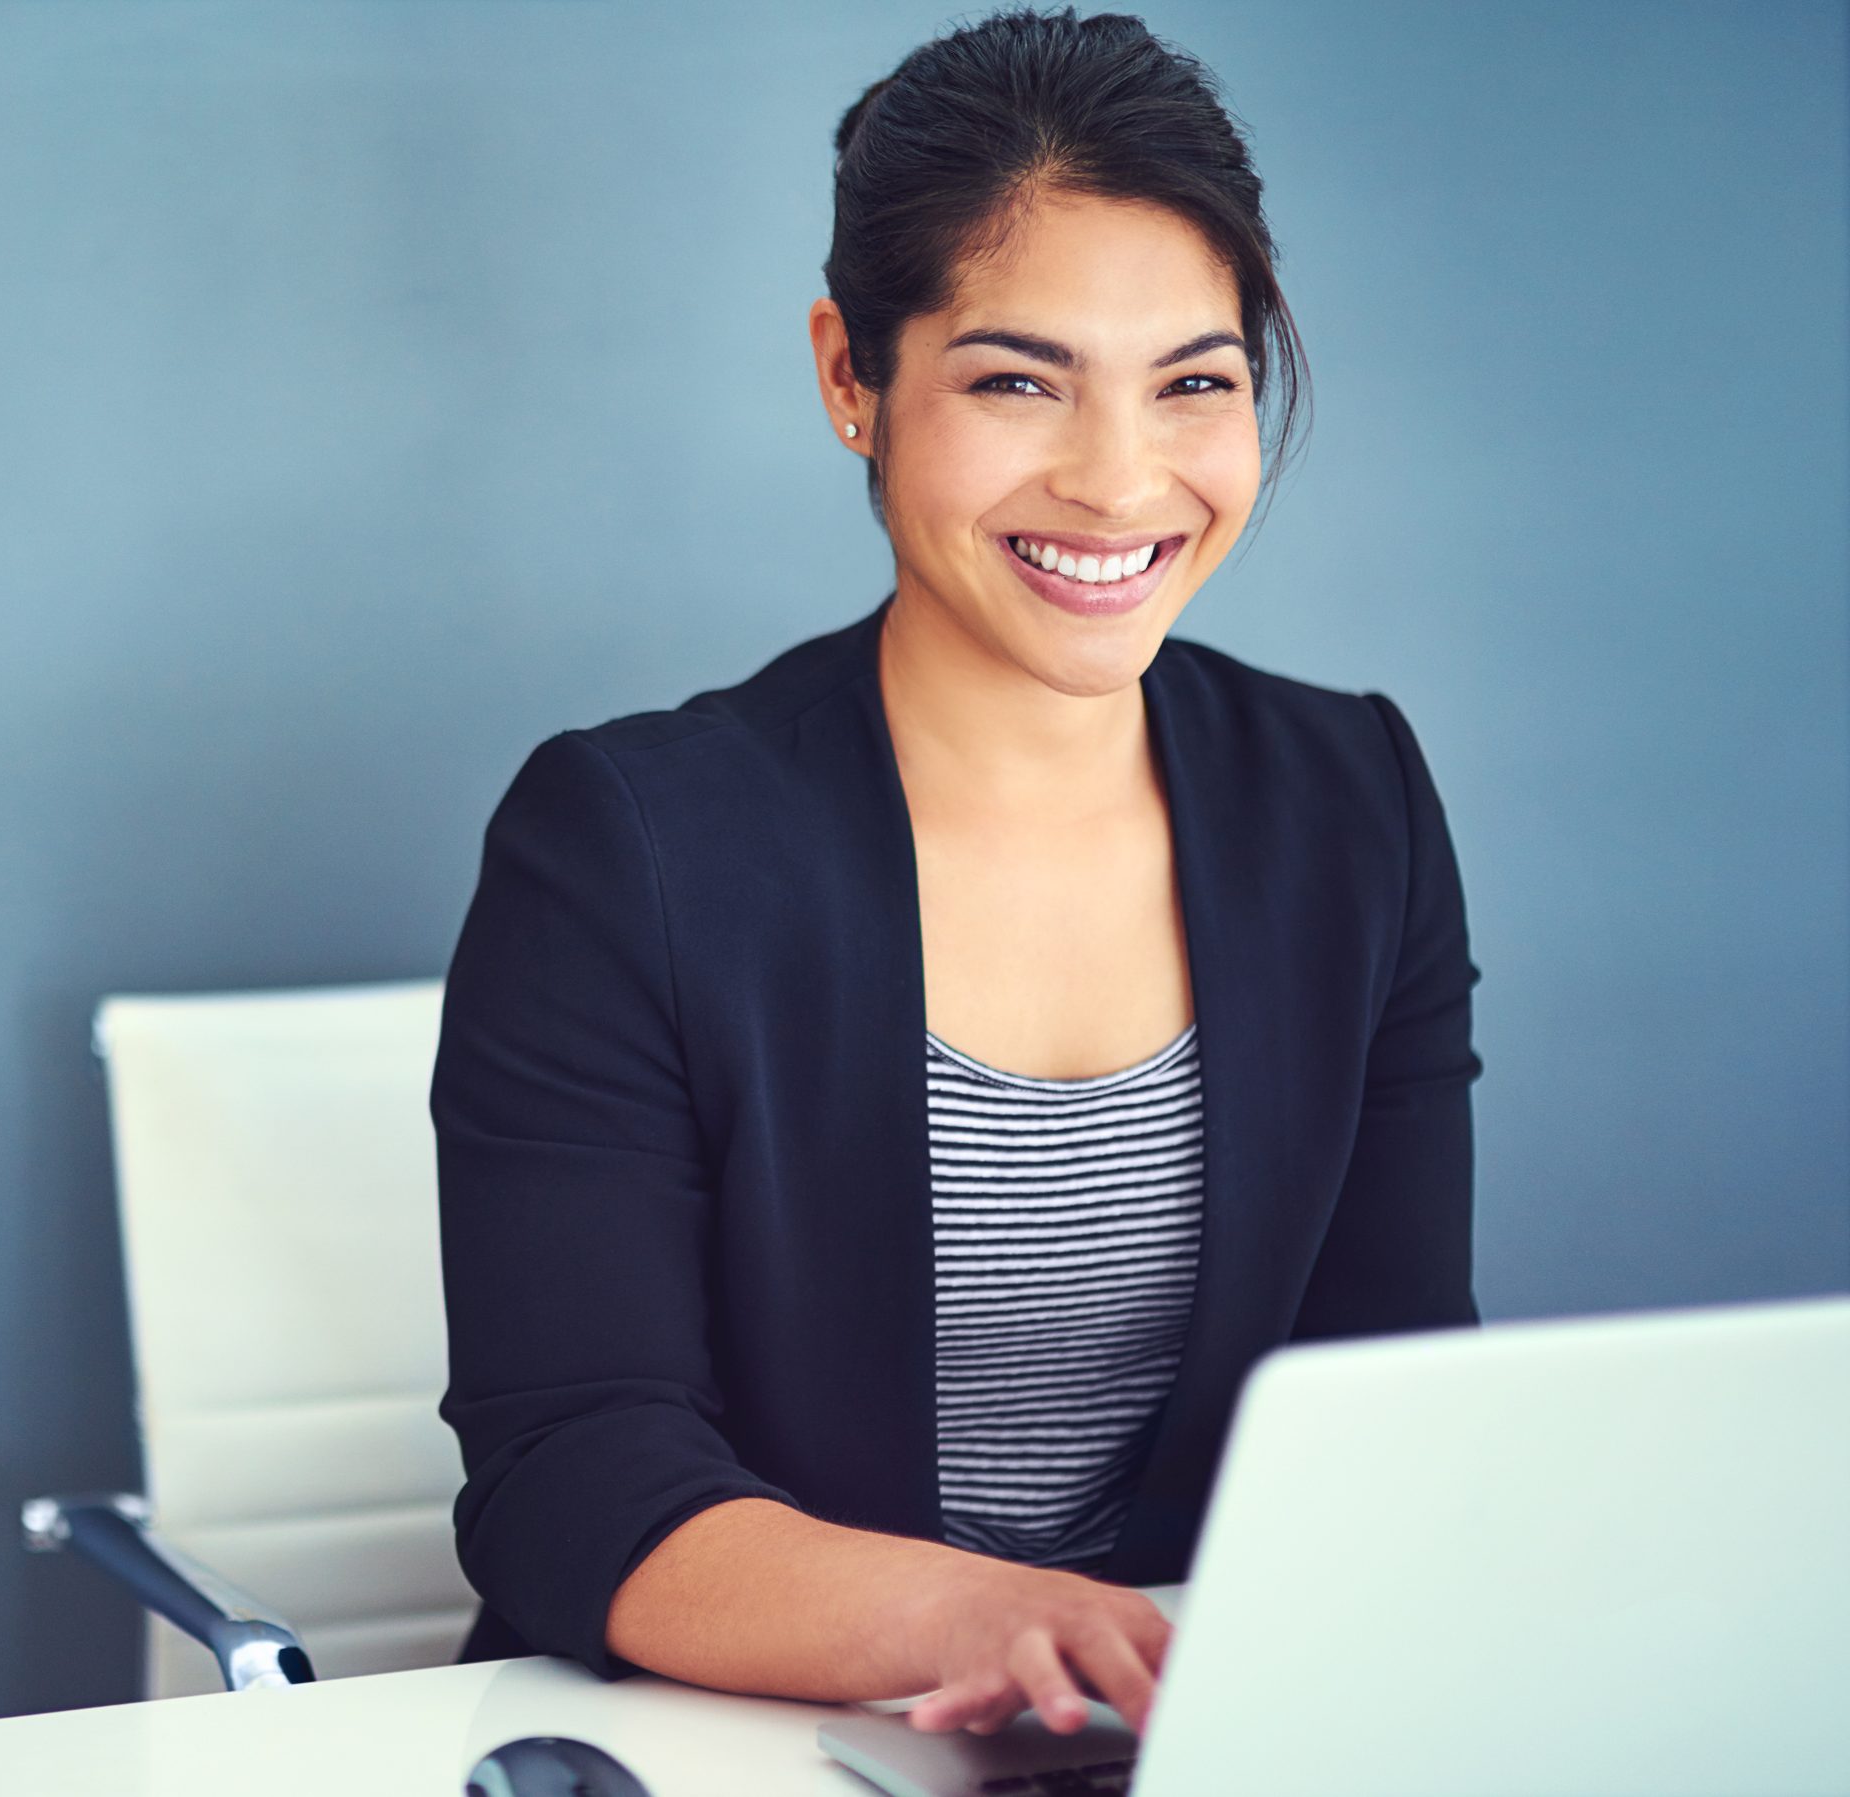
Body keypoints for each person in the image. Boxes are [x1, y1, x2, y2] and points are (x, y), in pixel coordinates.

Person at [430, 4, 1481, 1748]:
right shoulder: (625, 839)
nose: (1122, 479)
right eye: (1018, 379)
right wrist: (984, 1615)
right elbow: (571, 1466)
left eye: (1196, 383)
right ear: (853, 375)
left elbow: (1392, 1392)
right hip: (746, 1732)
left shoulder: (1349, 799)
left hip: (1190, 1733)